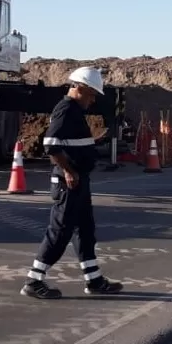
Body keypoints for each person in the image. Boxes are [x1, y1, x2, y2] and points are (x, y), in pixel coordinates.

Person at [21, 66, 124, 299]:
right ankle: (33, 280)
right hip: (69, 182)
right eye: (91, 94)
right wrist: (68, 171)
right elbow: (51, 145)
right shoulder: (66, 109)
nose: (93, 99)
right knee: (60, 232)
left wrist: (92, 143)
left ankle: (94, 280)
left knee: (85, 231)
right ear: (79, 87)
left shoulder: (75, 111)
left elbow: (70, 143)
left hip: (79, 180)